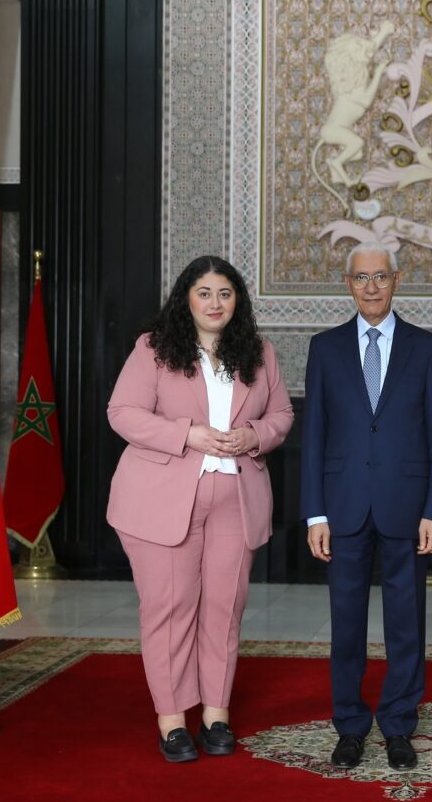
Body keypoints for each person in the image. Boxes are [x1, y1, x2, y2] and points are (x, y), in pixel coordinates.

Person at [106, 256, 294, 762]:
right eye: (205, 292)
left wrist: (254, 434)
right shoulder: (154, 349)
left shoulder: (259, 352)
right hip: (163, 499)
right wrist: (186, 434)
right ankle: (172, 722)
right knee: (170, 609)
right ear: (186, 297)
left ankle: (216, 716)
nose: (215, 303)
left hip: (236, 497)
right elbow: (121, 412)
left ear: (239, 301)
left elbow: (282, 414)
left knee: (224, 609)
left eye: (225, 293)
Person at [300, 242, 432, 771]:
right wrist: (314, 513)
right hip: (342, 509)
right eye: (361, 277)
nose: (371, 286)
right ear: (348, 283)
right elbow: (314, 435)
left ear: (396, 279)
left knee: (406, 623)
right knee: (346, 625)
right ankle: (350, 724)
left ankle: (399, 724)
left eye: (380, 276)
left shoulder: (427, 348)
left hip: (407, 510)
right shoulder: (325, 347)